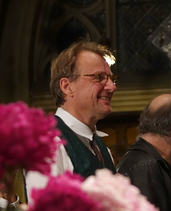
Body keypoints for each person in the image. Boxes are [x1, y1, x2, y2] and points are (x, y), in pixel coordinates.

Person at [26, 41, 117, 202]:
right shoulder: (49, 145)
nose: (111, 87)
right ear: (67, 86)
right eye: (99, 77)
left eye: (111, 78)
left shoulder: (102, 149)